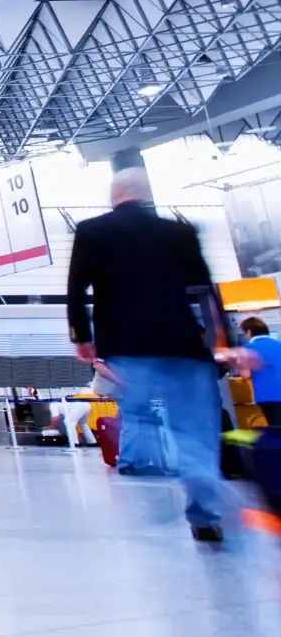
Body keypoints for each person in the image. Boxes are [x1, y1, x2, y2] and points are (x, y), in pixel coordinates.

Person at [69, 168, 245, 544]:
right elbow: (204, 289)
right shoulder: (179, 232)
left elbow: (76, 289)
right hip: (182, 344)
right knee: (195, 433)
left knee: (141, 415)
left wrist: (82, 336)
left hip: (128, 346)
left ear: (113, 194)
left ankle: (155, 478)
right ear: (147, 195)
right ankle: (203, 509)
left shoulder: (92, 231)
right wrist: (224, 341)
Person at [242, 317, 281, 426]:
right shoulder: (279, 344)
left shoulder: (247, 348)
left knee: (276, 428)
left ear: (249, 331)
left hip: (267, 395)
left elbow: (246, 375)